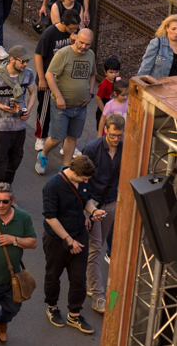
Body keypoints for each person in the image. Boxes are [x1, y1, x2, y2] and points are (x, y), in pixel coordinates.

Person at [42, 155, 103, 334]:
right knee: (53, 275)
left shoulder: (83, 181)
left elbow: (86, 200)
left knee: (78, 279)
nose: (87, 182)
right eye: (84, 179)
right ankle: (52, 307)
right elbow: (50, 217)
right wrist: (68, 240)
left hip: (80, 235)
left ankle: (74, 314)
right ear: (74, 172)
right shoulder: (52, 186)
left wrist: (94, 211)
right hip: (57, 240)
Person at [0, 183, 38, 343]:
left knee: (13, 308)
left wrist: (14, 240)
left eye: (5, 201)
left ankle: (2, 322)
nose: (1, 205)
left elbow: (33, 243)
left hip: (13, 279)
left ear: (13, 200)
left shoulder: (23, 217)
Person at [38, 29, 96, 175]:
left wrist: (90, 93)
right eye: (81, 42)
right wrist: (58, 96)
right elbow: (49, 75)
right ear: (75, 38)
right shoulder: (63, 53)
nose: (84, 47)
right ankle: (43, 154)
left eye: (87, 44)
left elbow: (92, 75)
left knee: (72, 137)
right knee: (57, 138)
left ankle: (65, 167)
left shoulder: (91, 55)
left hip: (80, 106)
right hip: (61, 106)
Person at [82, 114, 123, 314]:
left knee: (96, 247)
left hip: (111, 203)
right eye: (113, 135)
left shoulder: (125, 149)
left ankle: (89, 281)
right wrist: (85, 210)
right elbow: (82, 180)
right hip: (93, 202)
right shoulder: (92, 148)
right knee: (95, 247)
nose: (116, 139)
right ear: (105, 129)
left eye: (119, 136)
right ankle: (98, 296)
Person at [0, 46, 37, 189]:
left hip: (20, 126)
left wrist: (28, 110)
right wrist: (2, 106)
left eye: (27, 61)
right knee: (1, 161)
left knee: (16, 159)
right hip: (2, 126)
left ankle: (6, 189)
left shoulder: (28, 74)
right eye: (22, 61)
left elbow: (33, 93)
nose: (25, 64)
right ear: (11, 59)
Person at [34, 10, 81, 151]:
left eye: (77, 28)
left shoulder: (75, 34)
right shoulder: (49, 33)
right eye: (72, 28)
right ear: (63, 23)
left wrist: (73, 42)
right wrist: (41, 78)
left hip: (65, 81)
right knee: (45, 110)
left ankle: (67, 143)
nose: (75, 31)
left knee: (66, 113)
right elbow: (38, 55)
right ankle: (41, 137)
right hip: (48, 80)